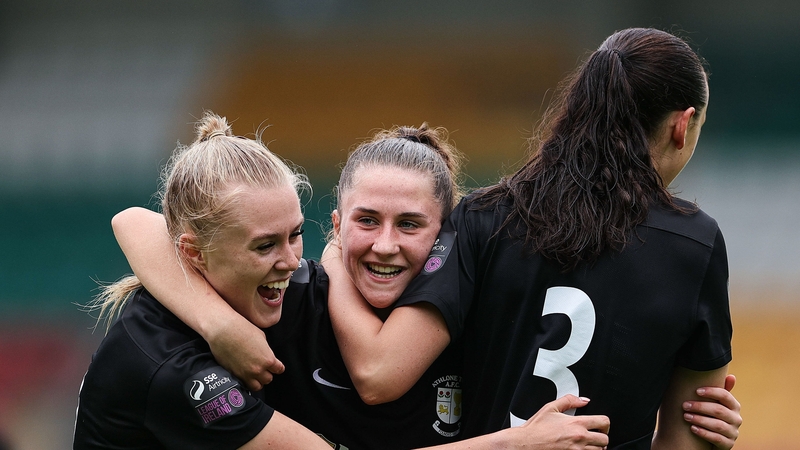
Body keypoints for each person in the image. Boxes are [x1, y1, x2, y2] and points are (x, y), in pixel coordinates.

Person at [114, 117, 740, 448]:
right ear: (335, 224)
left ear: (448, 235)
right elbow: (139, 225)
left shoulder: (477, 320)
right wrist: (219, 324)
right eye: (366, 221)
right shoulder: (280, 300)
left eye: (410, 225)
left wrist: (686, 422)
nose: (385, 245)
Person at [374, 27, 737, 449]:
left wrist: (334, 253)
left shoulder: (481, 216)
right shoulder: (696, 244)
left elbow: (380, 374)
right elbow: (692, 433)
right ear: (683, 125)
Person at [73, 112, 333, 449]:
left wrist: (219, 323)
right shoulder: (171, 368)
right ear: (195, 253)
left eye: (295, 234)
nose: (291, 260)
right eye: (265, 245)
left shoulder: (255, 286)